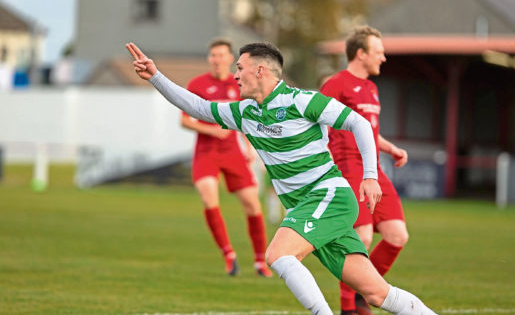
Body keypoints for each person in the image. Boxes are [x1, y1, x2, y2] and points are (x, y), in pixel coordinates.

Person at [126, 41, 437, 315]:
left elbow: (357, 122)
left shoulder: (302, 101)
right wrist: (155, 76)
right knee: (376, 293)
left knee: (277, 254)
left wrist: (370, 176)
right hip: (310, 206)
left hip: (328, 197)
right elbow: (197, 106)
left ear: (260, 71)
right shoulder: (245, 112)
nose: (235, 75)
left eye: (240, 67)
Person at [320, 26, 410, 315]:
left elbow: (369, 132)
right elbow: (315, 124)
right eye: (378, 52)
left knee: (397, 235)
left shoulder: (371, 88)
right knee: (361, 238)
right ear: (361, 54)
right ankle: (349, 308)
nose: (383, 58)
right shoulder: (336, 84)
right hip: (346, 166)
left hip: (373, 169)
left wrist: (390, 147)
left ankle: (363, 290)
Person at [180, 38, 272, 277]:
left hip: (232, 152)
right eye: (213, 55)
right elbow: (184, 120)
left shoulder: (239, 84)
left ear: (231, 59)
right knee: (208, 196)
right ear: (209, 59)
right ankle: (228, 255)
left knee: (252, 203)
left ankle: (260, 261)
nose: (217, 60)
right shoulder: (198, 84)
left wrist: (252, 147)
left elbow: (247, 119)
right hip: (206, 152)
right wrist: (212, 130)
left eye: (221, 55)